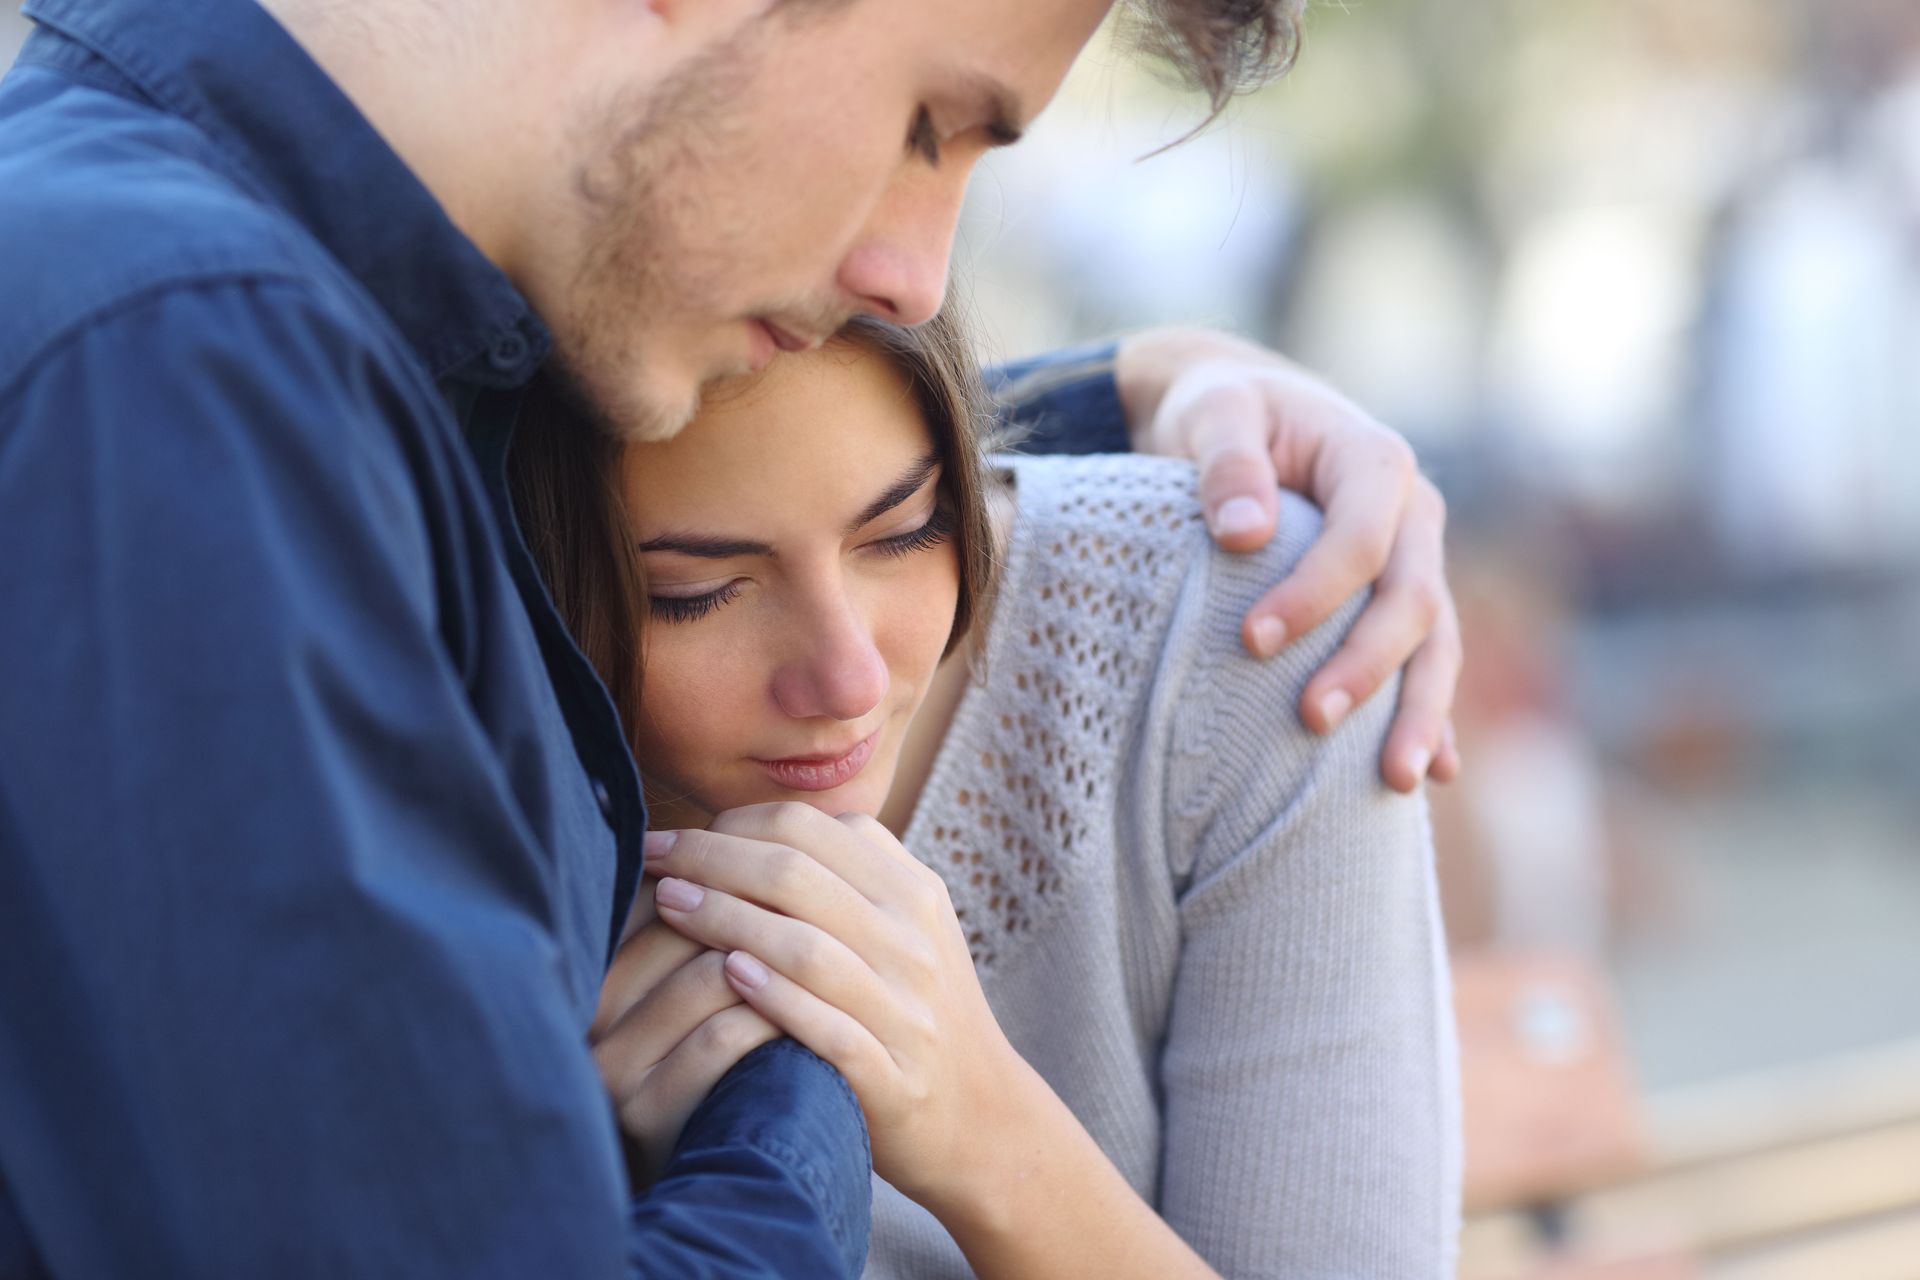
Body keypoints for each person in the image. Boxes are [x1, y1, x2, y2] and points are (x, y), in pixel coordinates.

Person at [0, 0, 1458, 1275]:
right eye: (928, 124)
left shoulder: (251, 332)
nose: (917, 275)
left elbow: (624, 457)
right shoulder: (183, 389)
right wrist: (805, 1058)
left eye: (904, 525)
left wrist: (1128, 396)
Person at [532, 310, 1458, 1277]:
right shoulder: (459, 810)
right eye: (698, 592)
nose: (849, 680)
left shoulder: (1241, 637)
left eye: (903, 530)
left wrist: (985, 1135)